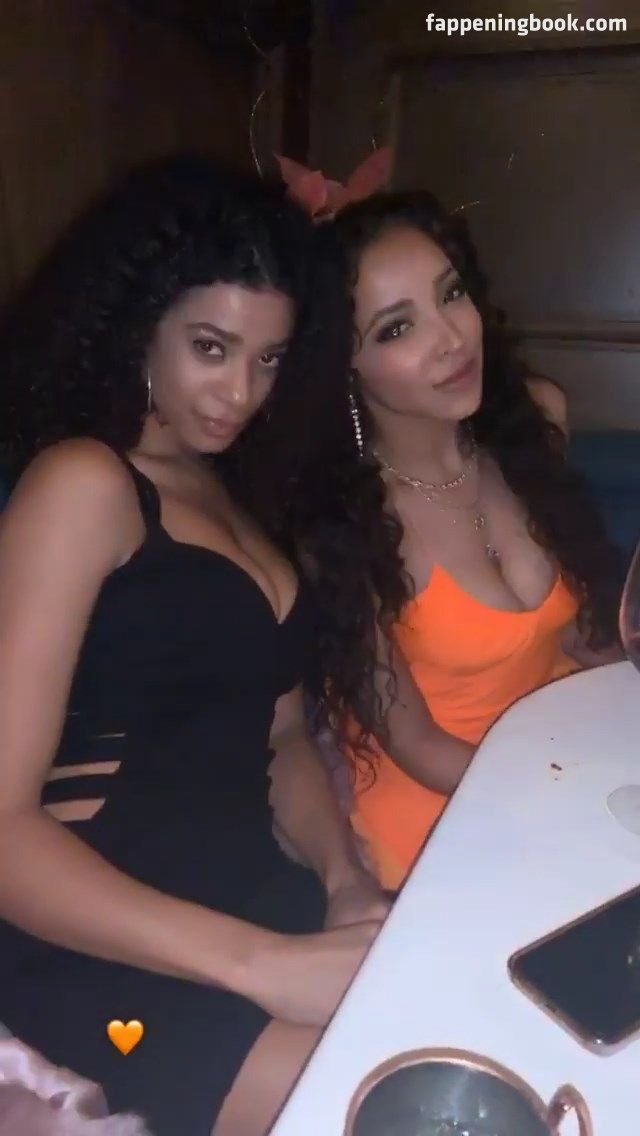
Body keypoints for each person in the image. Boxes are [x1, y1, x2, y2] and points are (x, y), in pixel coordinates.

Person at [0, 156, 389, 1136]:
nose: (239, 392)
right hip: (102, 945)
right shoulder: (84, 483)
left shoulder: (236, 492)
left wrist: (344, 880)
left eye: (269, 359)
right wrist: (263, 963)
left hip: (249, 898)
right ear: (141, 323)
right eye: (211, 347)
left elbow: (283, 734)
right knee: (404, 1098)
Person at [265, 189, 623, 891]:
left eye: (450, 294)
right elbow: (417, 744)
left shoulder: (532, 428)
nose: (452, 338)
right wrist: (570, 788)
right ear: (344, 364)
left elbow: (578, 631)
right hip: (445, 813)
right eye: (397, 329)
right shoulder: (337, 519)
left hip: (566, 757)